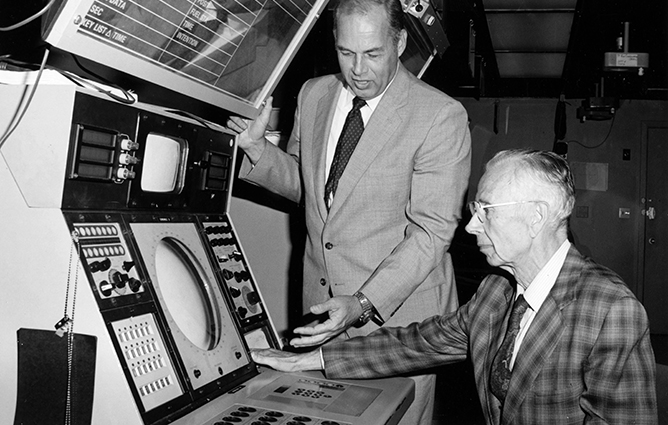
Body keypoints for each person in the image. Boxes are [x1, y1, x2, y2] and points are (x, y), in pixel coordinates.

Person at [251, 149, 658, 425]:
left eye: (485, 211)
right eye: (472, 210)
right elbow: (414, 344)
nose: (470, 226)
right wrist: (310, 360)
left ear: (536, 217)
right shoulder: (497, 292)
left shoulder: (611, 310)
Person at [226, 0, 471, 425]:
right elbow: (312, 189)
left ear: (399, 42)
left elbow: (432, 234)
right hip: (322, 309)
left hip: (398, 320)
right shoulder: (313, 95)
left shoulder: (439, 116)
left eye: (373, 54)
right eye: (345, 52)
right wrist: (258, 149)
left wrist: (360, 303)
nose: (358, 70)